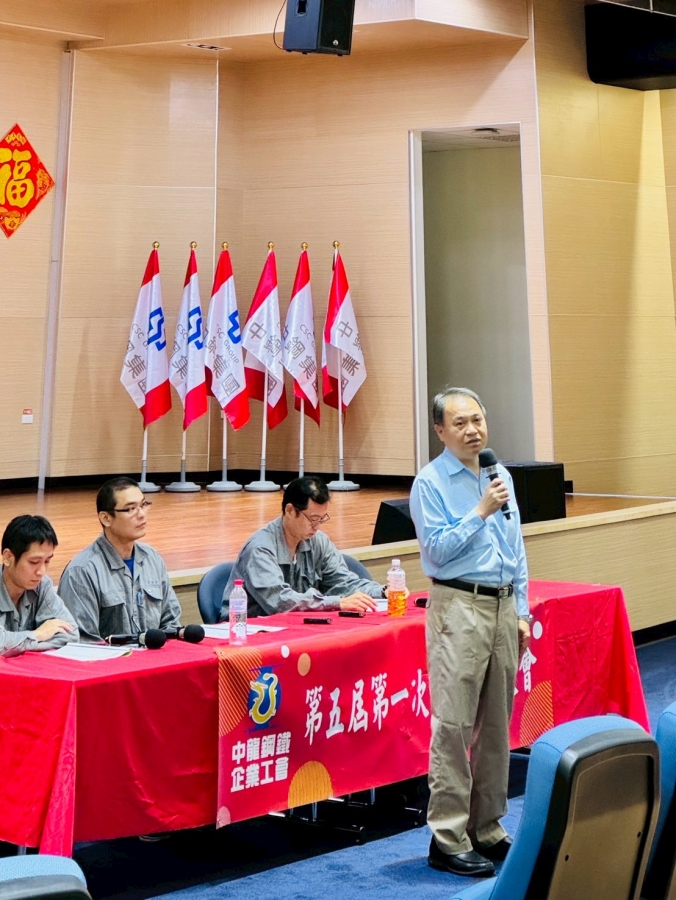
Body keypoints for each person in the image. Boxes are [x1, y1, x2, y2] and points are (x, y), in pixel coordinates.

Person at [409, 386, 531, 879]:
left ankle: (487, 827)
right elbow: (436, 552)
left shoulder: (499, 474)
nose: (472, 430)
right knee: (455, 726)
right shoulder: (430, 483)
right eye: (460, 423)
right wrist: (479, 510)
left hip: (503, 607)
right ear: (440, 430)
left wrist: (522, 610)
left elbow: (516, 547)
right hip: (458, 605)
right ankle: (447, 837)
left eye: (477, 420)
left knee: (498, 726)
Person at [220, 475, 387, 619]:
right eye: (313, 519)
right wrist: (336, 603)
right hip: (249, 633)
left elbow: (343, 583)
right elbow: (281, 602)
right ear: (290, 510)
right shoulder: (261, 548)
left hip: (295, 628)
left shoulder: (318, 541)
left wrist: (383, 591)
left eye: (322, 519)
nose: (317, 526)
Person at [59, 476, 182, 642]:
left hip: (154, 656)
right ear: (106, 518)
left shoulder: (152, 558)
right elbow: (83, 643)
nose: (141, 514)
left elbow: (171, 625)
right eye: (131, 509)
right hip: (110, 658)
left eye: (143, 505)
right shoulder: (82, 571)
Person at [0, 515, 78, 657]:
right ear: (7, 557)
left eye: (47, 561)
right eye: (34, 562)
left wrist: (16, 646)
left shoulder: (42, 585)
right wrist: (37, 635)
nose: (41, 571)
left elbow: (70, 634)